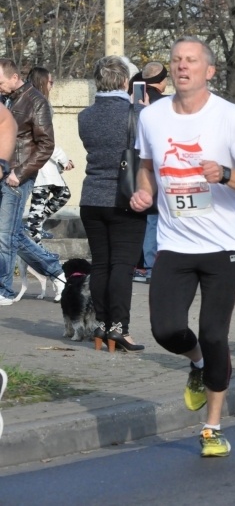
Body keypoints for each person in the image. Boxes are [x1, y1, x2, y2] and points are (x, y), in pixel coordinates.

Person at [131, 36, 235, 457]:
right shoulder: (151, 117)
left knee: (214, 333)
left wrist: (225, 174)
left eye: (191, 61)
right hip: (174, 243)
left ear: (209, 71)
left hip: (222, 245)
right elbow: (147, 166)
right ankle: (197, 363)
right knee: (165, 329)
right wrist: (143, 192)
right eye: (176, 61)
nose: (182, 67)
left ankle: (211, 427)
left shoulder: (228, 116)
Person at [78, 56, 148, 352]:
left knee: (101, 263)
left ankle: (100, 326)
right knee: (123, 265)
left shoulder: (85, 116)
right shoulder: (137, 113)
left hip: (91, 197)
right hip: (125, 197)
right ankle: (119, 328)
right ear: (124, 82)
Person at [0, 58, 65, 306]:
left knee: (6, 234)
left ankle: (4, 290)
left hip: (17, 176)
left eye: (1, 82)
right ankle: (55, 270)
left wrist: (21, 172)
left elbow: (46, 144)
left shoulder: (35, 101)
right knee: (12, 233)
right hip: (3, 171)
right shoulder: (5, 98)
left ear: (15, 77)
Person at [25, 67, 73, 243]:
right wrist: (63, 159)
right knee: (39, 203)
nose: (52, 85)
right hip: (39, 163)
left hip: (42, 162)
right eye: (50, 82)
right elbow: (45, 139)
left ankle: (34, 227)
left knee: (62, 194)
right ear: (43, 82)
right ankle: (34, 241)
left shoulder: (34, 102)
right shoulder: (39, 105)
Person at [131, 61, 169, 284]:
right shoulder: (164, 104)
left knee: (142, 216)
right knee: (155, 217)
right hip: (155, 166)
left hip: (133, 165)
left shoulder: (134, 97)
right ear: (161, 80)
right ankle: (150, 265)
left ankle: (141, 265)